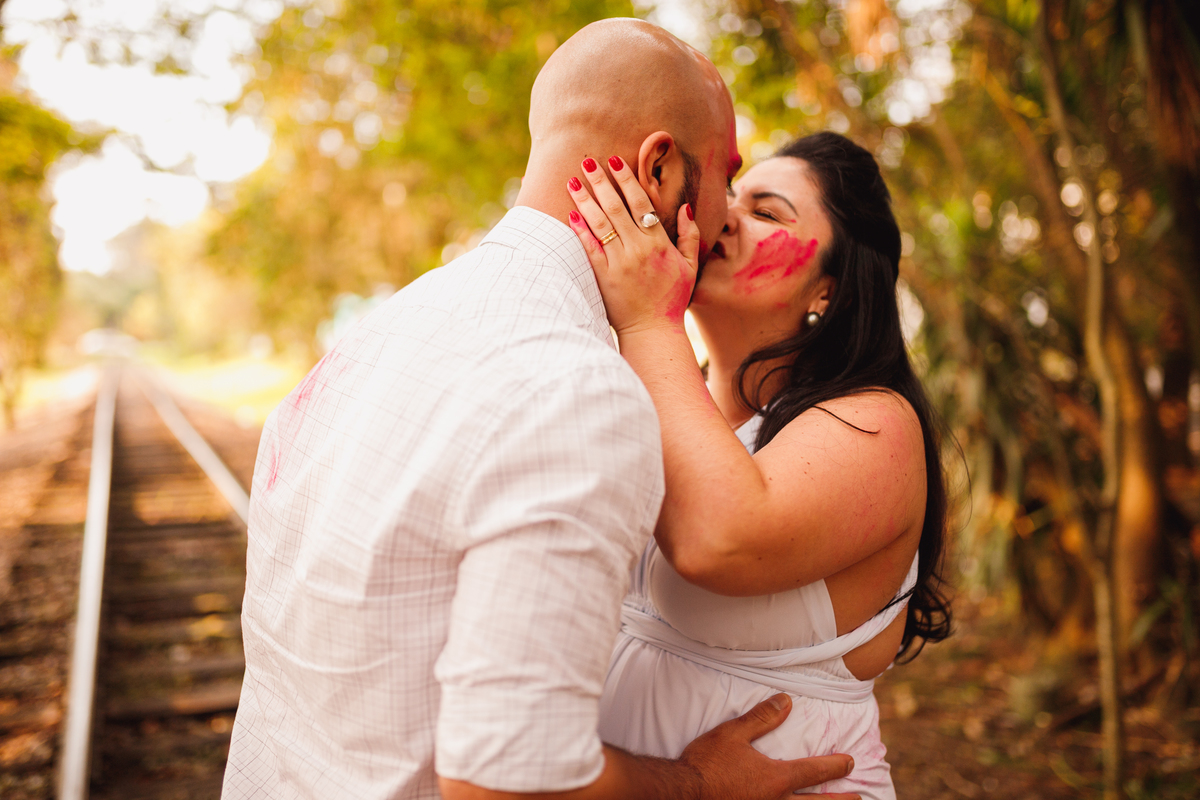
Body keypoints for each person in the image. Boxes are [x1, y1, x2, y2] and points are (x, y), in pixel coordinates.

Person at [221, 20, 860, 800]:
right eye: (726, 176)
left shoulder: (377, 332)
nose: (727, 217)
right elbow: (505, 787)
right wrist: (696, 782)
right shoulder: (578, 390)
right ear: (660, 168)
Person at [563, 131, 953, 800]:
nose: (724, 215)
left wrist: (650, 321)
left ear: (828, 287)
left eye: (767, 211)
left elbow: (719, 537)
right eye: (731, 198)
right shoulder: (654, 392)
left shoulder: (879, 425)